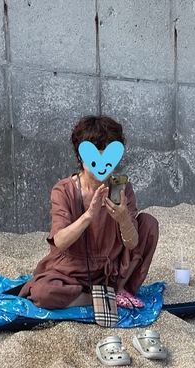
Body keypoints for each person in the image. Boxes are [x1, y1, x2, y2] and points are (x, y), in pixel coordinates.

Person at [19, 115, 159, 310]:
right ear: (80, 157)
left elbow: (132, 244)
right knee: (43, 293)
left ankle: (118, 289)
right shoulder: (64, 190)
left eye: (108, 158)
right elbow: (60, 242)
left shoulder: (122, 189)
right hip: (72, 271)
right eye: (95, 158)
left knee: (149, 223)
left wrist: (123, 221)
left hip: (111, 271)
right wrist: (88, 216)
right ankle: (97, 298)